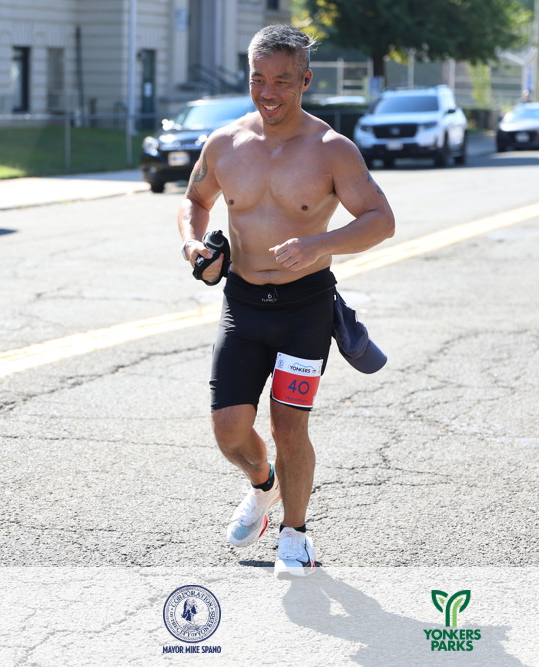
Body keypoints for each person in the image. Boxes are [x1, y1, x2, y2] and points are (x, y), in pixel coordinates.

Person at [177, 24, 395, 578]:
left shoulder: (331, 150)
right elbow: (194, 200)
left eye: (281, 81)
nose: (268, 93)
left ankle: (295, 534)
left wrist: (319, 243)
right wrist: (194, 245)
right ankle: (263, 485)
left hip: (305, 309)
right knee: (228, 429)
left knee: (289, 428)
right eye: (258, 79)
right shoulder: (224, 144)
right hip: (243, 303)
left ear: (305, 81)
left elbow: (381, 220)